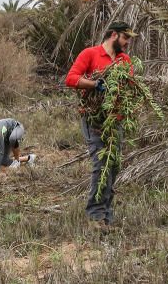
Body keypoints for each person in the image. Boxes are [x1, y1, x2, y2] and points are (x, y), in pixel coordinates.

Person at [64, 20, 136, 225]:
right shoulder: (90, 54)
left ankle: (106, 212)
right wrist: (96, 84)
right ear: (113, 35)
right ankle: (95, 215)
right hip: (93, 119)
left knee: (113, 166)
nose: (128, 42)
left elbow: (129, 87)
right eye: (125, 38)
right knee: (101, 164)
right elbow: (71, 79)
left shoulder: (125, 61)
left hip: (115, 121)